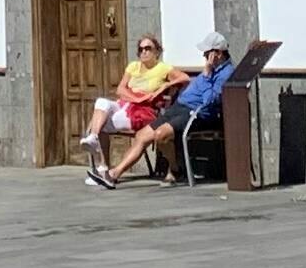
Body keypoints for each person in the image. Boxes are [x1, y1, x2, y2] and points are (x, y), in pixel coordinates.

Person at [103, 41, 238, 186]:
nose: (204, 56)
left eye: (207, 53)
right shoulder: (213, 68)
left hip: (196, 113)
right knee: (142, 135)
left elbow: (209, 101)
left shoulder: (226, 73)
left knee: (161, 135)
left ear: (217, 53)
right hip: (179, 106)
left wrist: (206, 75)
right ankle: (114, 174)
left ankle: (175, 170)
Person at [82, 33, 178, 183]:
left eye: (148, 48)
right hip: (126, 104)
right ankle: (94, 140)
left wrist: (166, 85)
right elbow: (120, 90)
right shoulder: (133, 66)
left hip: (143, 112)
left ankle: (104, 169)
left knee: (101, 123)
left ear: (157, 52)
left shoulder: (163, 68)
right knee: (101, 102)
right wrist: (136, 98)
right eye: (141, 49)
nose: (144, 52)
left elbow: (183, 78)